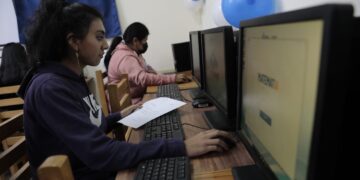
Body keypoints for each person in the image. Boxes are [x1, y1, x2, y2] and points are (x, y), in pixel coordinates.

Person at [18, 0, 235, 179]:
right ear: (74, 42)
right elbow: (100, 153)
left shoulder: (70, 77)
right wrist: (182, 146)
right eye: (99, 37)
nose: (105, 45)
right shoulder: (50, 88)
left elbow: (88, 127)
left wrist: (118, 116)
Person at [105, 22, 191, 104]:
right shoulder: (125, 57)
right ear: (135, 41)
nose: (145, 44)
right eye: (144, 41)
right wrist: (172, 79)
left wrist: (163, 76)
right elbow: (143, 78)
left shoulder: (131, 52)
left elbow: (145, 68)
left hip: (134, 98)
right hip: (128, 104)